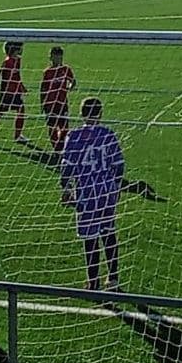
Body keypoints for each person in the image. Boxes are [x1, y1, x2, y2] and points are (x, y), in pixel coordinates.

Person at [60, 97, 125, 293]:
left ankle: (93, 280)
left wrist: (65, 188)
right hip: (107, 191)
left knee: (90, 237)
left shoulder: (75, 136)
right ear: (101, 113)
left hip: (87, 194)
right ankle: (113, 278)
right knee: (108, 233)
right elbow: (119, 165)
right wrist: (117, 186)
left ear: (81, 114)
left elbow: (66, 166)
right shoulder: (108, 134)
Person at [40, 46, 78, 152]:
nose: (57, 60)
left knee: (64, 127)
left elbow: (73, 81)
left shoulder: (66, 69)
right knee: (52, 127)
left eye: (59, 57)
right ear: (50, 58)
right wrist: (43, 104)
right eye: (55, 57)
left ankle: (60, 146)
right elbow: (43, 89)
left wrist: (69, 88)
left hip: (62, 102)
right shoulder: (47, 72)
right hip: (50, 104)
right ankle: (57, 148)